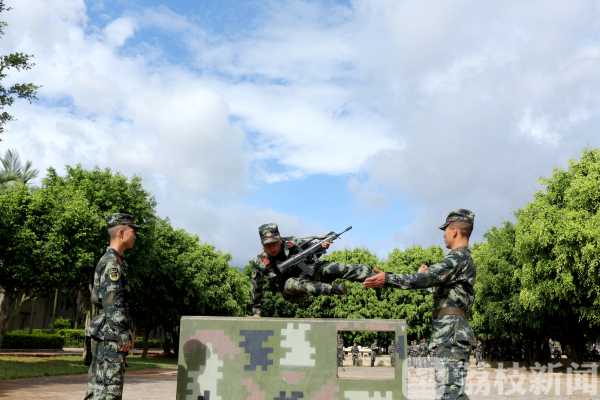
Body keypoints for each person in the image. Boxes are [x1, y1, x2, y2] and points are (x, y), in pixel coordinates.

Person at [364, 209, 477, 400]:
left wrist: (387, 279)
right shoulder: (462, 260)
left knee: (449, 393)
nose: (444, 234)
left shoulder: (457, 259)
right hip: (451, 331)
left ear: (454, 230)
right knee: (453, 392)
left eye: (446, 230)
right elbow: (442, 291)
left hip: (451, 332)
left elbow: (423, 280)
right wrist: (425, 279)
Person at [249, 223, 375, 317]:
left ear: (280, 239)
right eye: (267, 245)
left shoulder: (293, 242)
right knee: (290, 282)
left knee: (336, 267)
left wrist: (321, 246)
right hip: (293, 292)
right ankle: (333, 289)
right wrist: (256, 313)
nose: (271, 248)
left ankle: (373, 276)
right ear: (262, 244)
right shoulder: (260, 262)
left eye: (274, 243)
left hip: (308, 274)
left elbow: (312, 251)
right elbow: (256, 288)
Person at [84, 213, 139, 400]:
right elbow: (113, 303)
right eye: (133, 231)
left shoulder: (115, 261)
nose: (135, 236)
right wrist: (123, 335)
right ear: (121, 233)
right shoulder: (112, 264)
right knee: (107, 391)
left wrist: (127, 329)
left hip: (108, 330)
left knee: (100, 388)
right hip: (110, 334)